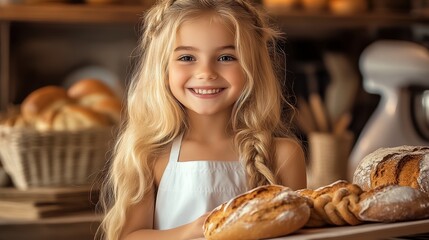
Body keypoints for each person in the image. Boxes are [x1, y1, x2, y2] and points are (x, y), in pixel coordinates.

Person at [98, 0, 307, 239]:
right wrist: (193, 230)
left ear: (254, 68)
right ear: (163, 70)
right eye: (187, 58)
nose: (206, 72)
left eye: (226, 57)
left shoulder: (283, 155)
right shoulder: (150, 154)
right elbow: (130, 236)